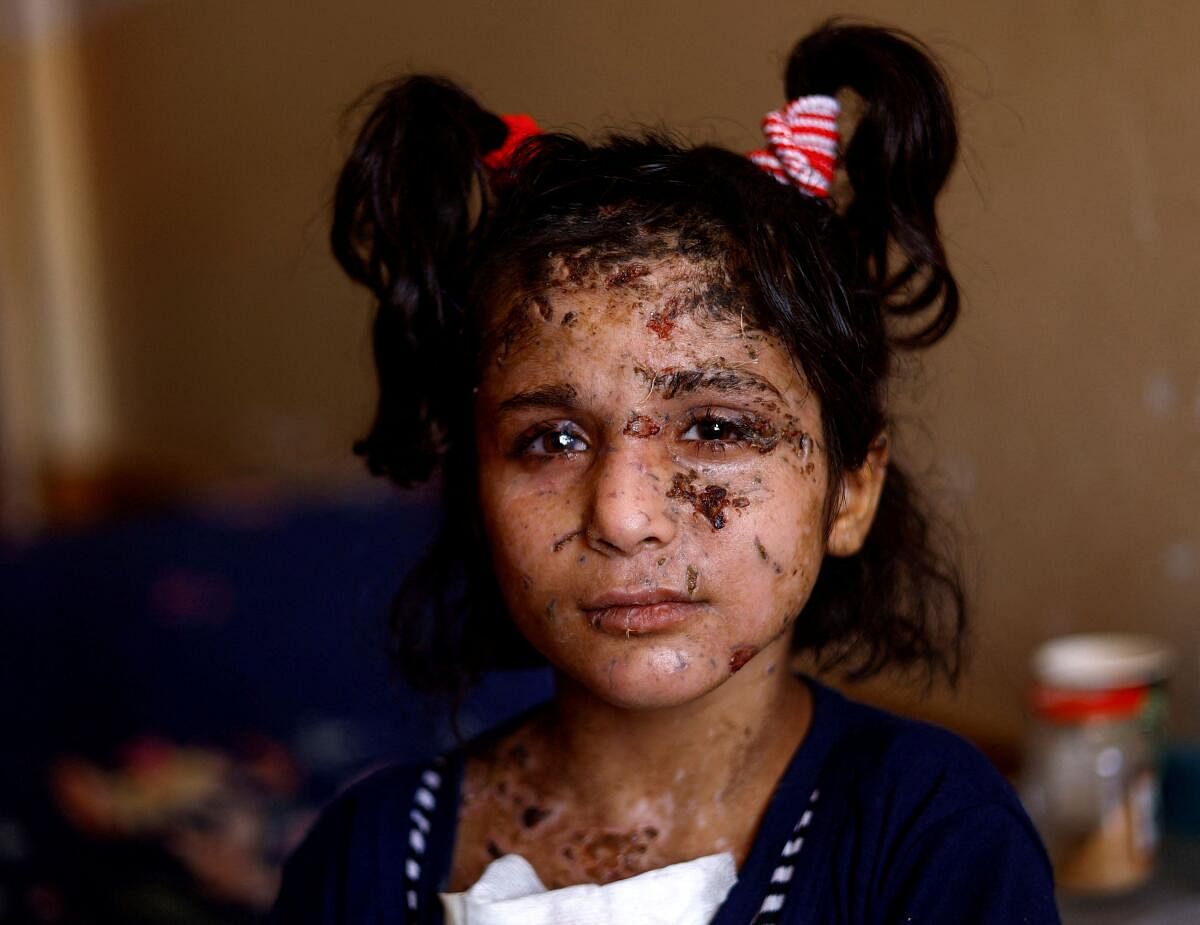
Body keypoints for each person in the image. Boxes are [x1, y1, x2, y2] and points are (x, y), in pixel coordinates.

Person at [271, 20, 1060, 924]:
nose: (622, 513)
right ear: (475, 484)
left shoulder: (930, 832)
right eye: (552, 440)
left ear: (853, 488)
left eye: (718, 426)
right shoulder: (367, 858)